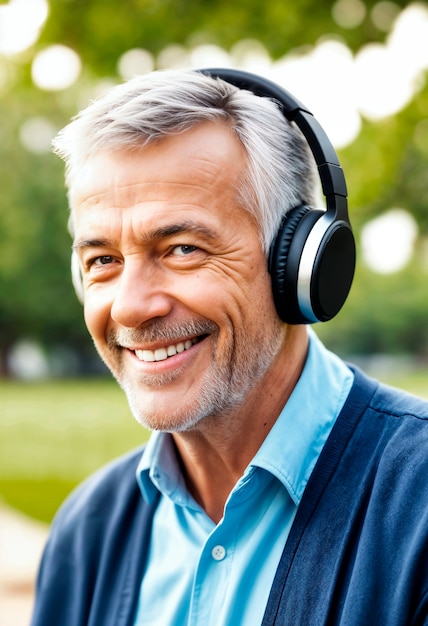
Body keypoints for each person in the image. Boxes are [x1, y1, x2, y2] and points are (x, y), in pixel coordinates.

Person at [31, 68, 428, 626]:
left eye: (183, 248)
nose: (129, 306)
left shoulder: (419, 504)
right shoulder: (86, 531)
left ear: (300, 268)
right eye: (103, 260)